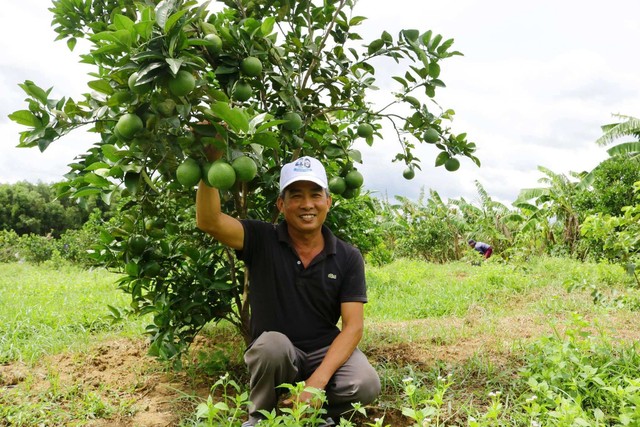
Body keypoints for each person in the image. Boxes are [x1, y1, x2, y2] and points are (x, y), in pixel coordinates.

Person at [196, 154, 381, 427]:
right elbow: (209, 221)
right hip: (279, 355)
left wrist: (317, 382)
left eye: (315, 195)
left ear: (328, 201)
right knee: (272, 345)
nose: (307, 204)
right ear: (281, 204)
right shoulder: (261, 239)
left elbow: (353, 327)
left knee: (365, 384)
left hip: (323, 350)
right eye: (296, 196)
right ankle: (260, 419)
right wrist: (208, 160)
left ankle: (314, 414)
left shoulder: (347, 256)